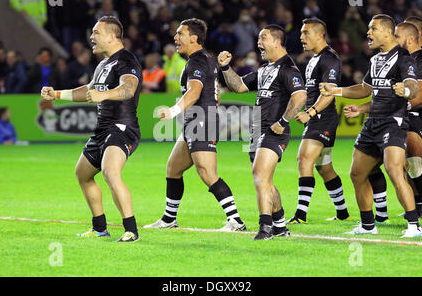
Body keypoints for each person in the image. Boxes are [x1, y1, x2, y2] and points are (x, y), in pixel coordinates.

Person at [41, 16, 143, 242]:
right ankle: (100, 228)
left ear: (111, 36)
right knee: (83, 174)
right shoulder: (103, 64)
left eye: (96, 32)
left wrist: (104, 94)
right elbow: (89, 89)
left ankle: (131, 230)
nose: (91, 37)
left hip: (122, 127)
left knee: (110, 171)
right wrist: (57, 94)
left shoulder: (127, 61)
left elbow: (128, 88)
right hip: (102, 129)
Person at [320, 14, 422, 238]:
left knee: (394, 170)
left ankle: (414, 225)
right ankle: (368, 225)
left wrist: (405, 91)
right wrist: (335, 90)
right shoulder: (376, 59)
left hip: (393, 123)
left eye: (373, 29)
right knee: (357, 174)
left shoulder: (404, 57)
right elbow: (365, 89)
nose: (368, 33)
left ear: (387, 32)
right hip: (372, 124)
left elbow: (413, 86)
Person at [144, 18, 246, 232]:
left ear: (194, 38)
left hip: (201, 121)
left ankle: (236, 220)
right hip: (197, 120)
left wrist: (173, 111)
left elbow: (194, 92)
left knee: (207, 172)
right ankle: (169, 219)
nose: (175, 38)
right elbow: (215, 96)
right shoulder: (203, 60)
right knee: (173, 168)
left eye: (180, 34)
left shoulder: (197, 61)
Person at [218, 24, 307, 240]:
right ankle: (279, 225)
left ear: (277, 41)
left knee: (260, 175)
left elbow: (300, 96)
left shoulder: (288, 69)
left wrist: (283, 121)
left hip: (273, 129)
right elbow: (238, 86)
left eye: (263, 38)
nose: (259, 43)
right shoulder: (266, 69)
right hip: (258, 129)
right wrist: (225, 67)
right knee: (265, 179)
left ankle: (265, 227)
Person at [344, 21, 422, 217]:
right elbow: (372, 91)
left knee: (411, 164)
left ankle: (418, 212)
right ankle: (384, 214)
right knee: (372, 166)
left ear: (411, 37)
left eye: (397, 36)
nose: (394, 39)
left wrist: (398, 104)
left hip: (417, 115)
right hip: (394, 115)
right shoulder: (382, 58)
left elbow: (420, 95)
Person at [288, 18, 350, 225]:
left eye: (306, 33)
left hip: (322, 117)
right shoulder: (313, 59)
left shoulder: (329, 59)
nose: (301, 37)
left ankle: (300, 214)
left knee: (304, 159)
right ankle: (343, 213)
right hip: (318, 117)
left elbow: (330, 93)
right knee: (325, 168)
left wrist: (311, 112)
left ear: (320, 35)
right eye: (301, 33)